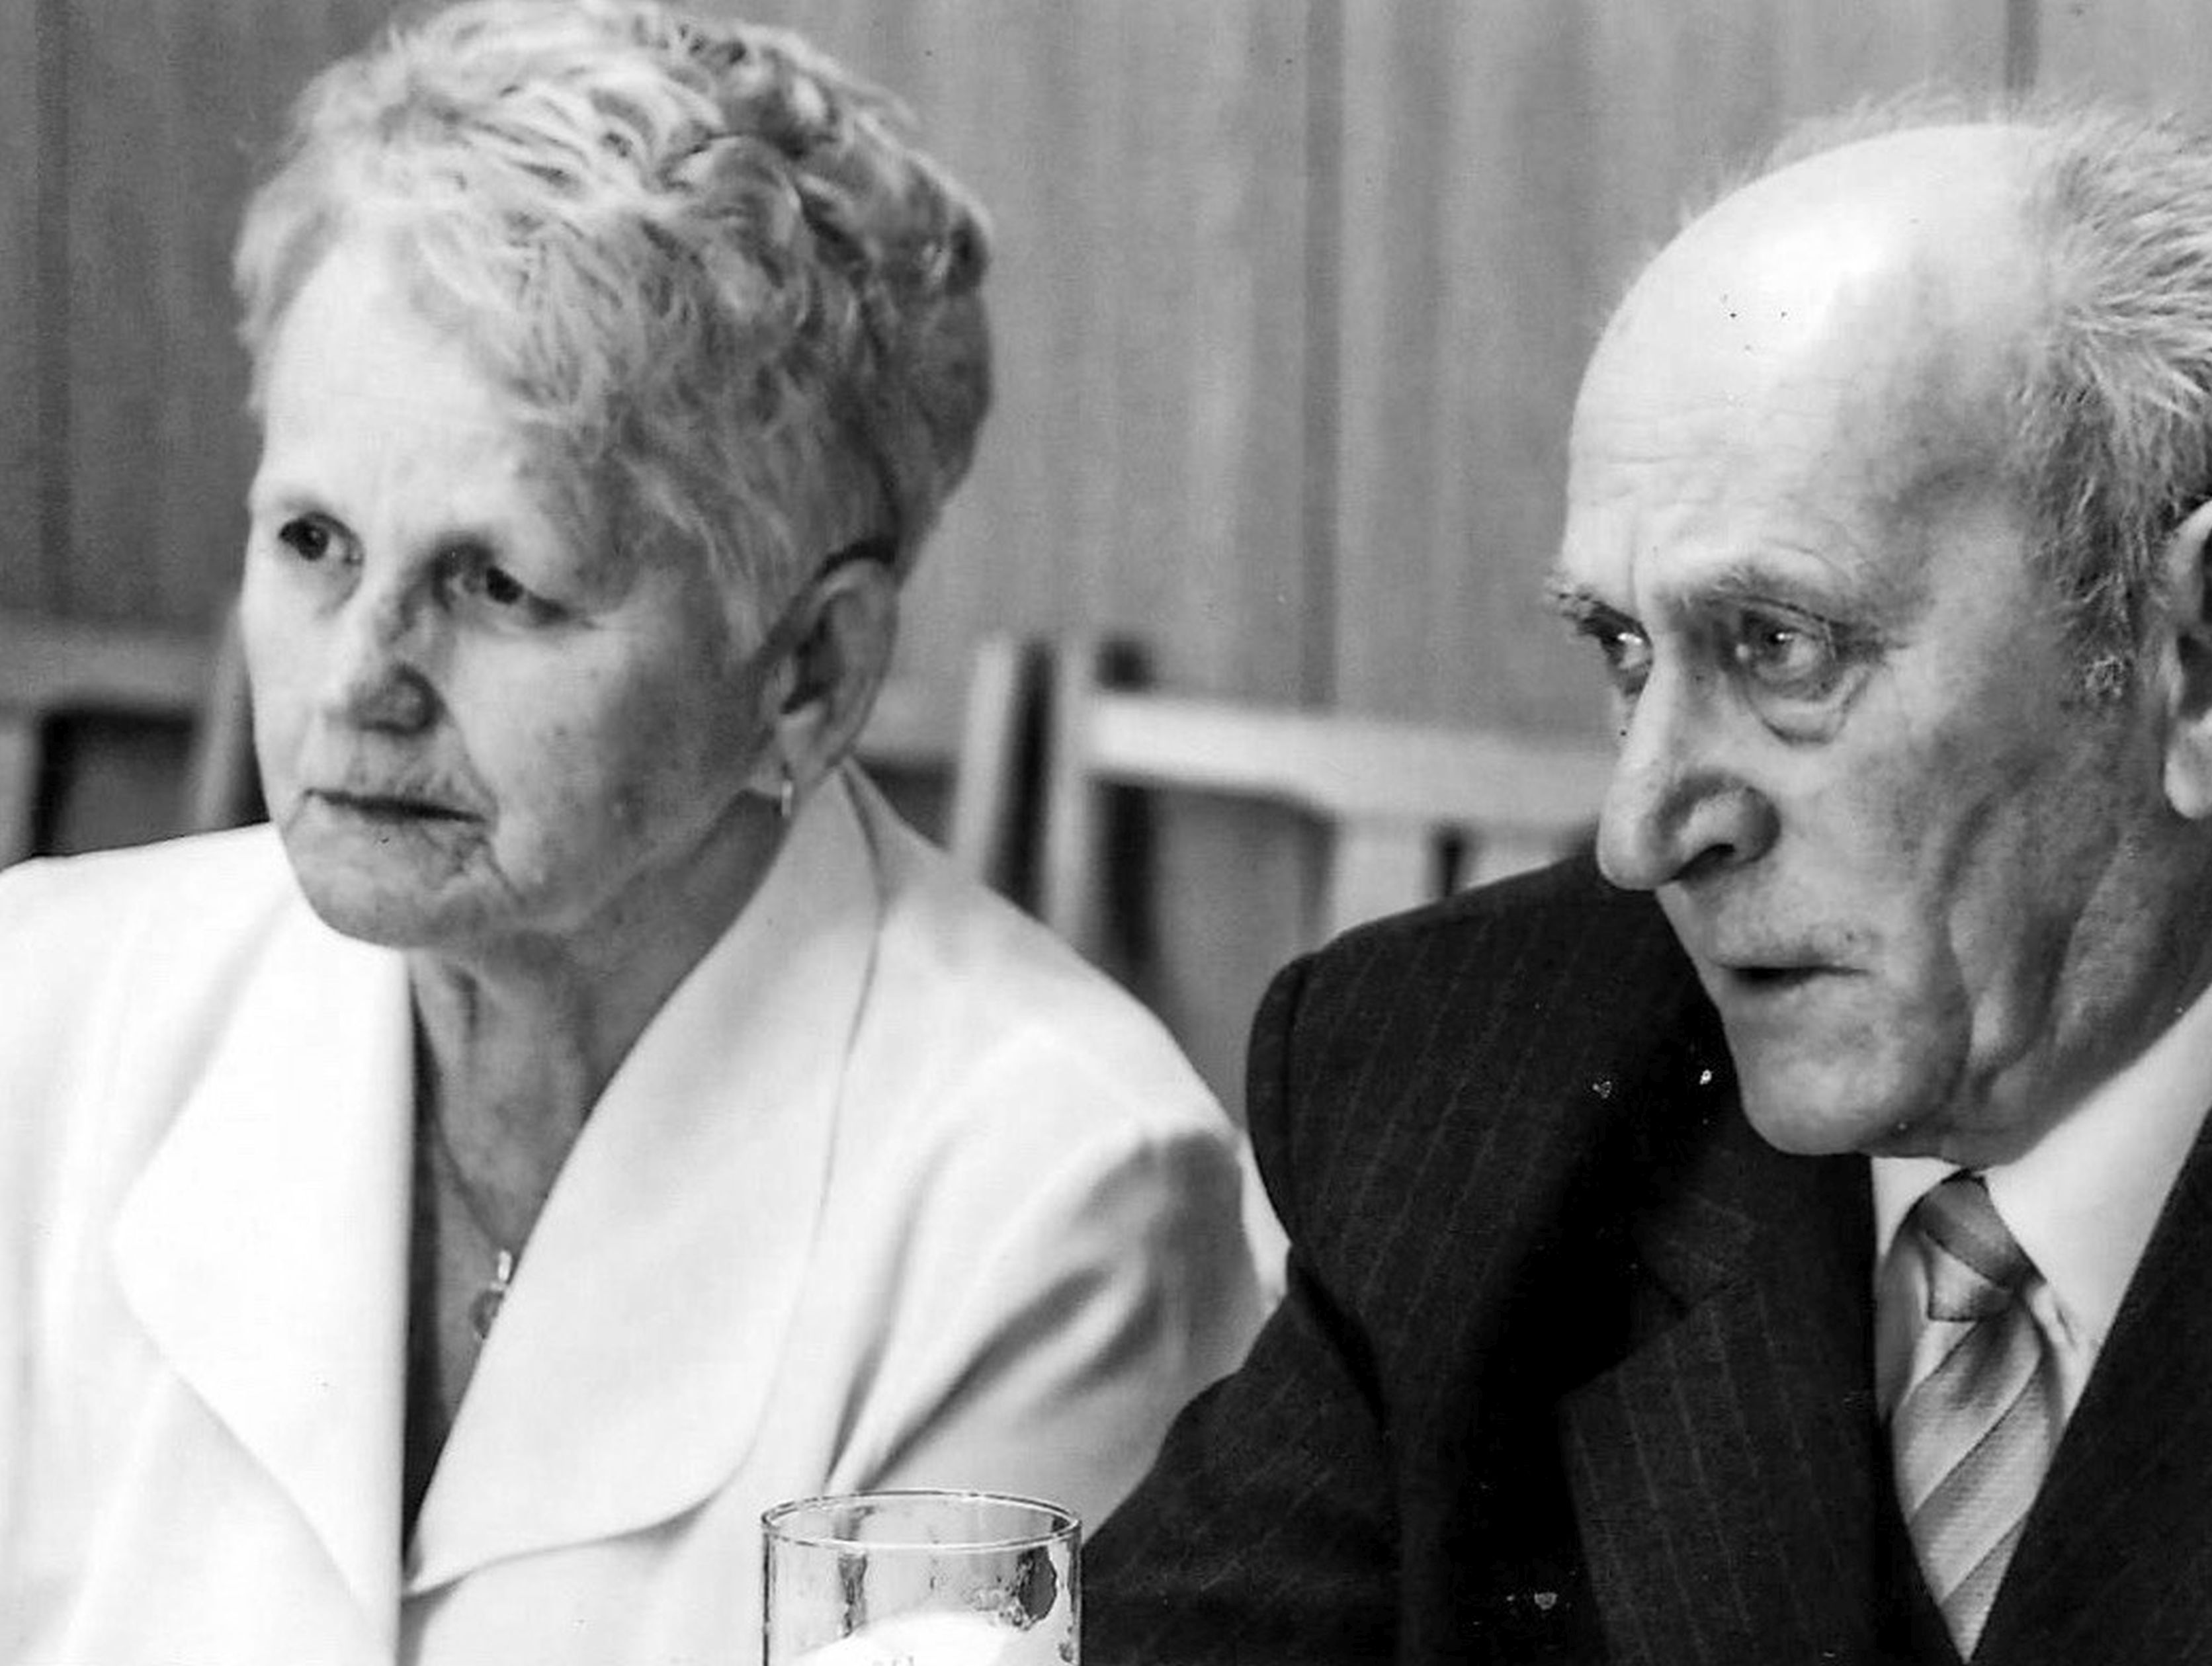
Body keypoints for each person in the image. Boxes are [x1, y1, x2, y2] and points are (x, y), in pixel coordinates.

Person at [1089, 99, 2212, 1665]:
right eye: (1622, 648)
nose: (1644, 833)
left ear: (2211, 650)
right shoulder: (1466, 1094)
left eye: (1782, 647)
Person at [0, 5, 1264, 1663]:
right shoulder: (47, 1011)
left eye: (496, 583)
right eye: (313, 542)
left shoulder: (1053, 1203)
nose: (355, 682)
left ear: (808, 672)